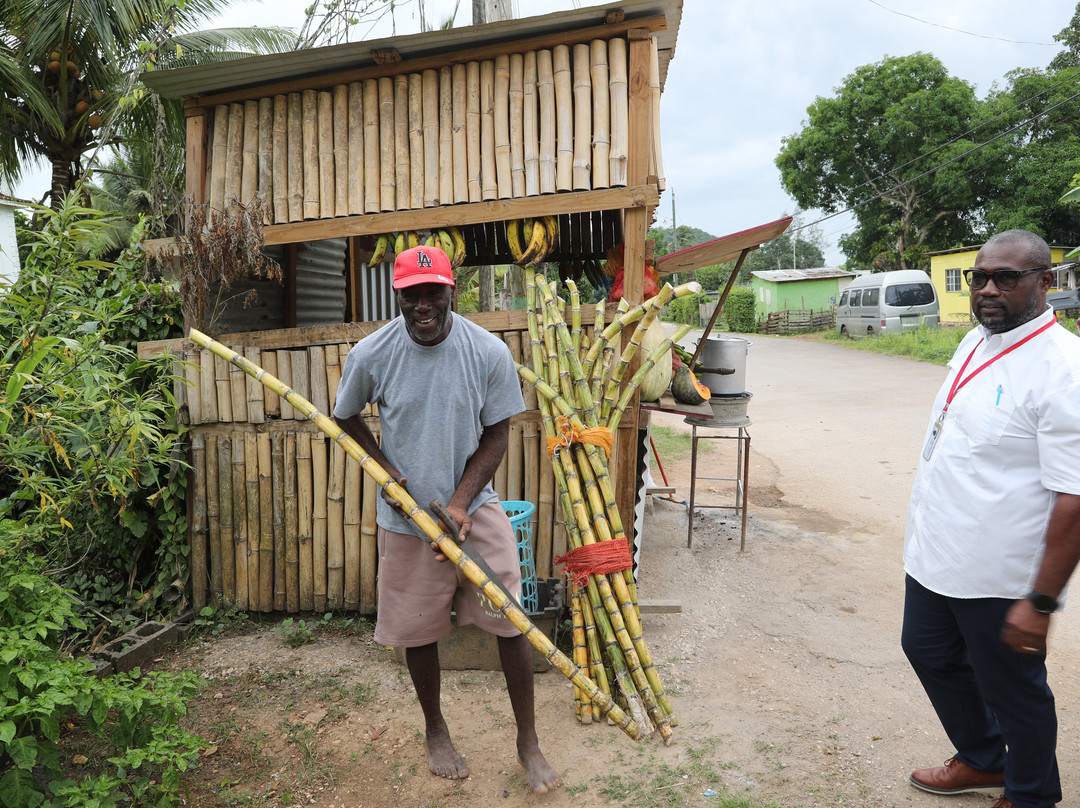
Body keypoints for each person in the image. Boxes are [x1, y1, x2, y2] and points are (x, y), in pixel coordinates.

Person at [332, 244, 559, 794]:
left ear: (452, 292)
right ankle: (436, 730)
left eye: (433, 293)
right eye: (412, 295)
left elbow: (497, 433)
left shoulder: (486, 352)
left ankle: (527, 740)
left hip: (475, 507)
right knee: (419, 631)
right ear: (399, 296)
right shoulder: (372, 354)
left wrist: (460, 502)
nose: (423, 305)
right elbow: (344, 417)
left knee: (511, 619)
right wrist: (386, 472)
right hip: (409, 521)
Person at [902, 229, 1080, 808]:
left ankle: (1031, 794)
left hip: (1001, 573)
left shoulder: (1064, 369)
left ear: (1044, 283)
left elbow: (1074, 496)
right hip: (936, 553)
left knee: (1015, 691)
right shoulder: (979, 340)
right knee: (927, 651)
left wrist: (1042, 601)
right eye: (980, 277)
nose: (988, 289)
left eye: (1007, 277)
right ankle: (984, 758)